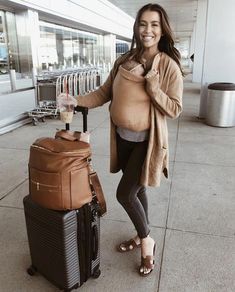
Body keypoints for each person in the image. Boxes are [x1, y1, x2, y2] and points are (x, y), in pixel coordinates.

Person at [59, 3, 183, 277]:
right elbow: (103, 94)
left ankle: (147, 241)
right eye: (143, 23)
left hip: (146, 143)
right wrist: (75, 100)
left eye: (154, 24)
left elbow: (174, 108)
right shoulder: (123, 61)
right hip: (123, 139)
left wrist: (153, 88)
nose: (147, 30)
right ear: (136, 28)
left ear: (162, 30)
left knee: (124, 194)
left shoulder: (169, 67)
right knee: (138, 191)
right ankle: (142, 233)